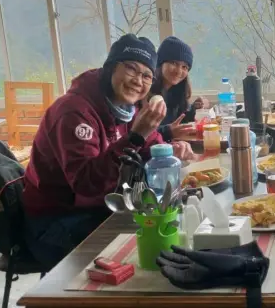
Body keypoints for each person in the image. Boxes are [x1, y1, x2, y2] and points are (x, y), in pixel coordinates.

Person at [22, 34, 194, 270]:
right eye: (131, 69)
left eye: (146, 76)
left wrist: (168, 149)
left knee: (173, 229)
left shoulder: (124, 106)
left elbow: (148, 143)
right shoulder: (74, 112)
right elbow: (86, 184)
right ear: (111, 67)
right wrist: (135, 137)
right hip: (57, 219)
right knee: (144, 253)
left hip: (100, 207)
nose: (138, 81)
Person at [150, 36, 210, 141]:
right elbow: (141, 133)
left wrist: (195, 109)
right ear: (160, 63)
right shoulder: (146, 93)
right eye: (174, 63)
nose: (179, 71)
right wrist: (168, 132)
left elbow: (180, 120)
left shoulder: (175, 92)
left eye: (184, 67)